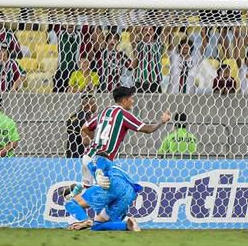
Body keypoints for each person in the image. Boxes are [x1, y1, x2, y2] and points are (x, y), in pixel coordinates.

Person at [67, 86, 170, 216]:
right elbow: (147, 129)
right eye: (131, 99)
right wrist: (162, 121)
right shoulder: (123, 114)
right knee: (111, 191)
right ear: (125, 100)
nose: (133, 101)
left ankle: (77, 192)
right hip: (101, 160)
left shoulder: (104, 111)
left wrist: (95, 141)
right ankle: (99, 218)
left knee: (89, 192)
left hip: (87, 156)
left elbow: (85, 128)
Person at [64, 153, 142, 231]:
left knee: (69, 202)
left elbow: (101, 159)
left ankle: (85, 220)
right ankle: (127, 226)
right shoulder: (118, 169)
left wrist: (98, 171)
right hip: (128, 194)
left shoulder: (100, 161)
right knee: (97, 225)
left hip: (112, 185)